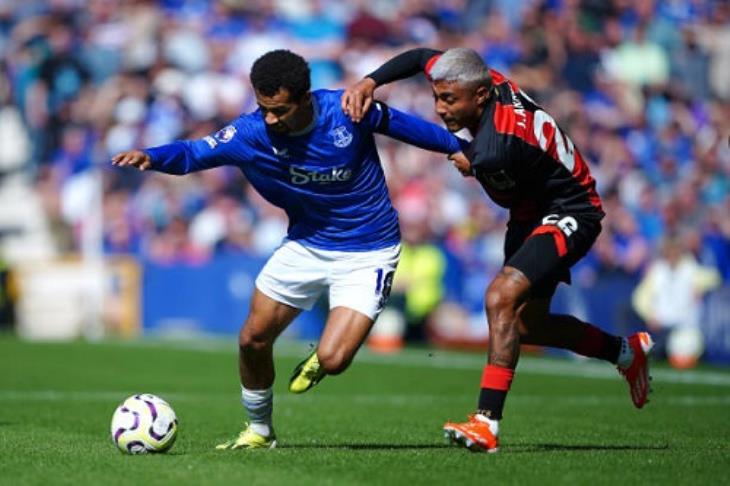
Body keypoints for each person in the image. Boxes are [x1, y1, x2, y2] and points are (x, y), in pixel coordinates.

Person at [112, 49, 466, 449]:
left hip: (369, 249)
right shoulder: (250, 134)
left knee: (334, 359)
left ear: (305, 97)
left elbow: (406, 127)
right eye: (263, 109)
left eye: (279, 110)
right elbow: (194, 153)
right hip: (306, 245)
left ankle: (323, 357)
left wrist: (455, 147)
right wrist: (151, 157)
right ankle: (260, 430)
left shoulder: (348, 109)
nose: (271, 119)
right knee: (252, 339)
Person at [341, 47, 654, 453]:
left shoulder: (495, 148)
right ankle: (626, 353)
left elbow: (474, 165)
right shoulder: (479, 78)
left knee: (498, 297)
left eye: (449, 100)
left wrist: (451, 152)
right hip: (531, 212)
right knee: (528, 327)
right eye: (437, 97)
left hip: (569, 208)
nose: (440, 107)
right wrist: (371, 81)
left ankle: (486, 423)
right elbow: (422, 56)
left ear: (481, 96)